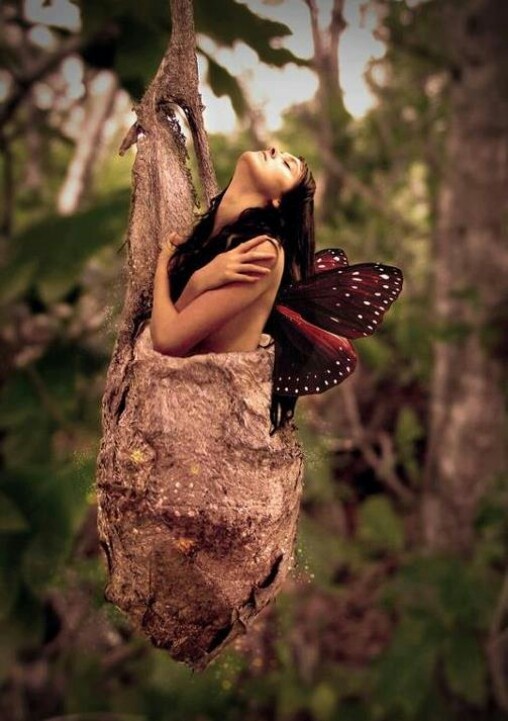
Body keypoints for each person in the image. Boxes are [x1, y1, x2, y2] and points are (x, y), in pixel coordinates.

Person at [149, 146, 316, 434]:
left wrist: (164, 267)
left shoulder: (262, 251)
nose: (274, 149)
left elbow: (167, 341)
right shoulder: (205, 235)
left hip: (211, 428)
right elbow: (175, 322)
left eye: (287, 165)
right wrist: (198, 281)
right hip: (173, 416)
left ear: (278, 201)